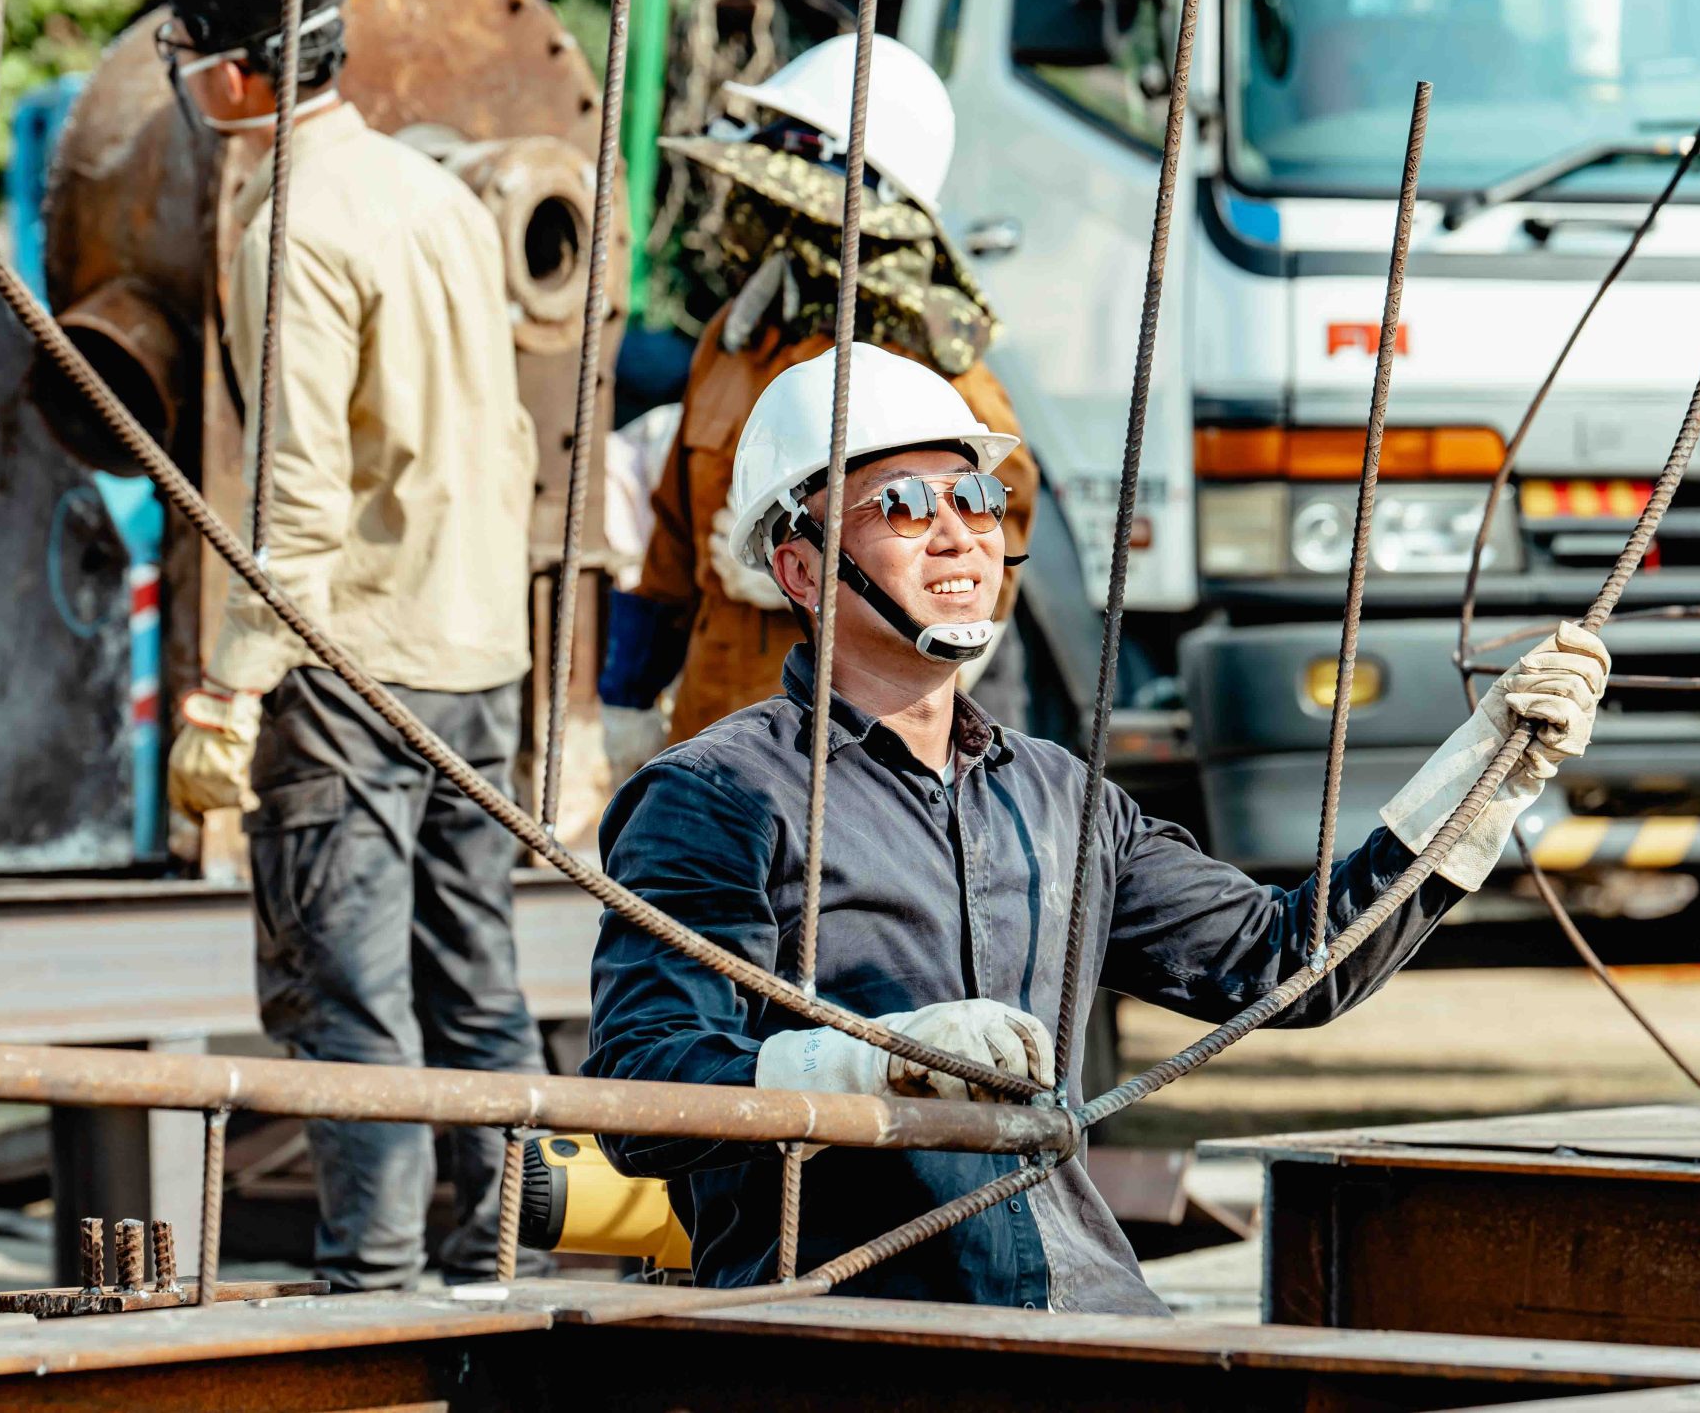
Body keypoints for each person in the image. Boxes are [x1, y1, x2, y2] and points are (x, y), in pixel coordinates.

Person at [584, 346, 1609, 1311]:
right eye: (901, 504)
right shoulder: (718, 797)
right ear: (802, 571)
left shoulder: (1057, 796)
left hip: (1089, 1318)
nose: (958, 533)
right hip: (857, 1331)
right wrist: (872, 1064)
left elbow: (1287, 964)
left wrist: (1482, 781)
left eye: (975, 498)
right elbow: (643, 1087)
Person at [131, 0, 545, 1290]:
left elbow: (295, 494)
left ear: (237, 60)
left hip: (355, 667)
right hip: (472, 651)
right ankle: (491, 1252)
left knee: (346, 984)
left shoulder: (288, 225)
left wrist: (231, 688)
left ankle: (371, 1281)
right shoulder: (434, 188)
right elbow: (500, 440)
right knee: (477, 976)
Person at [600, 36, 1038, 770]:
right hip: (718, 737)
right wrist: (625, 698)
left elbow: (982, 564)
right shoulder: (736, 340)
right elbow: (672, 542)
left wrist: (833, 579)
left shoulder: (930, 373)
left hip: (854, 761)